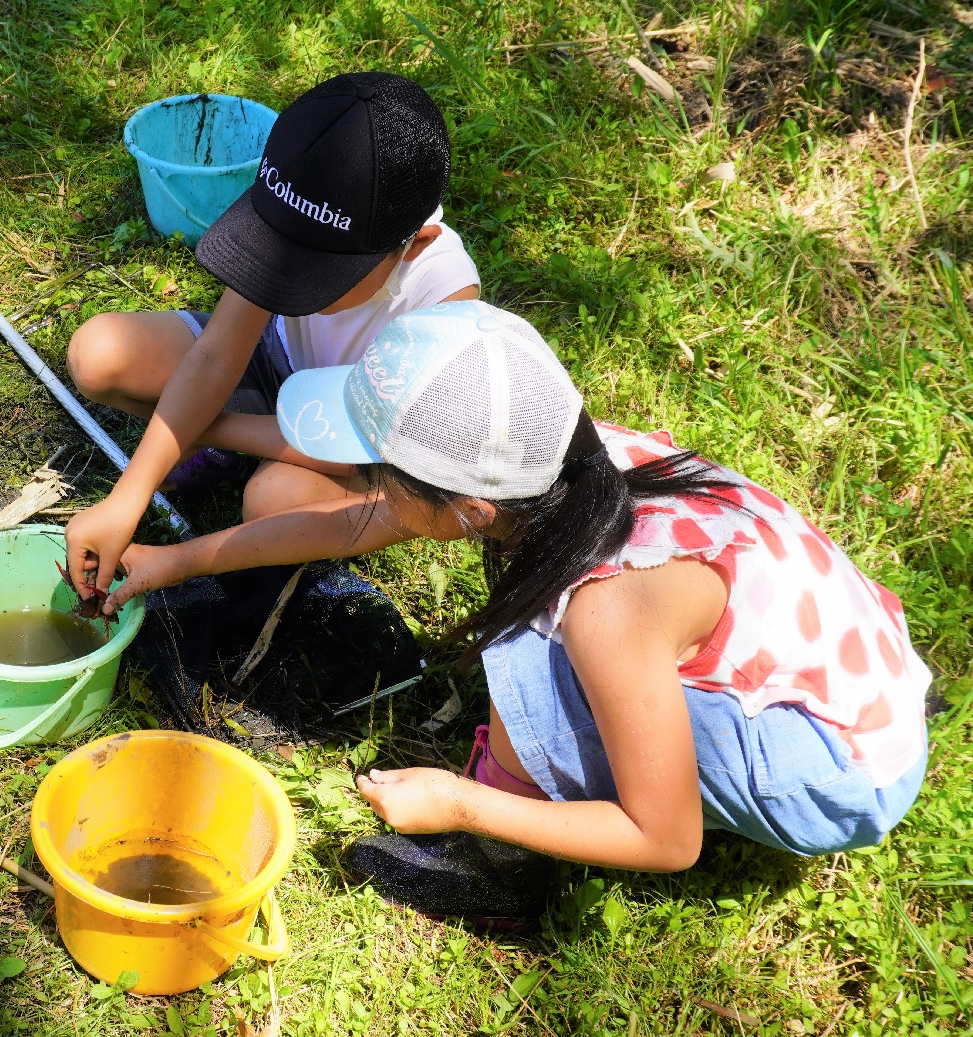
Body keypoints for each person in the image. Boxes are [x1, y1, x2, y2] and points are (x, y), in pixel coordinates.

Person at [102, 299, 931, 925]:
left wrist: (460, 804)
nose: (361, 483)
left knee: (524, 657)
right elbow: (348, 521)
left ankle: (497, 859)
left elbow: (666, 837)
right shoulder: (560, 462)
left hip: (838, 769)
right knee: (537, 639)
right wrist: (170, 562)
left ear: (466, 508)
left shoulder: (605, 608)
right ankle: (536, 775)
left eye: (377, 470)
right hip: (849, 673)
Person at [64, 71, 479, 599]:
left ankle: (210, 446)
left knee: (273, 500)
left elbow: (351, 451)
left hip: (353, 434)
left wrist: (205, 428)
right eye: (284, 253)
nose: (291, 283)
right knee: (100, 354)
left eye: (319, 274)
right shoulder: (308, 203)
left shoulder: (444, 303)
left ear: (414, 245)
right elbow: (217, 354)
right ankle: (208, 442)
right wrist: (127, 497)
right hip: (274, 363)